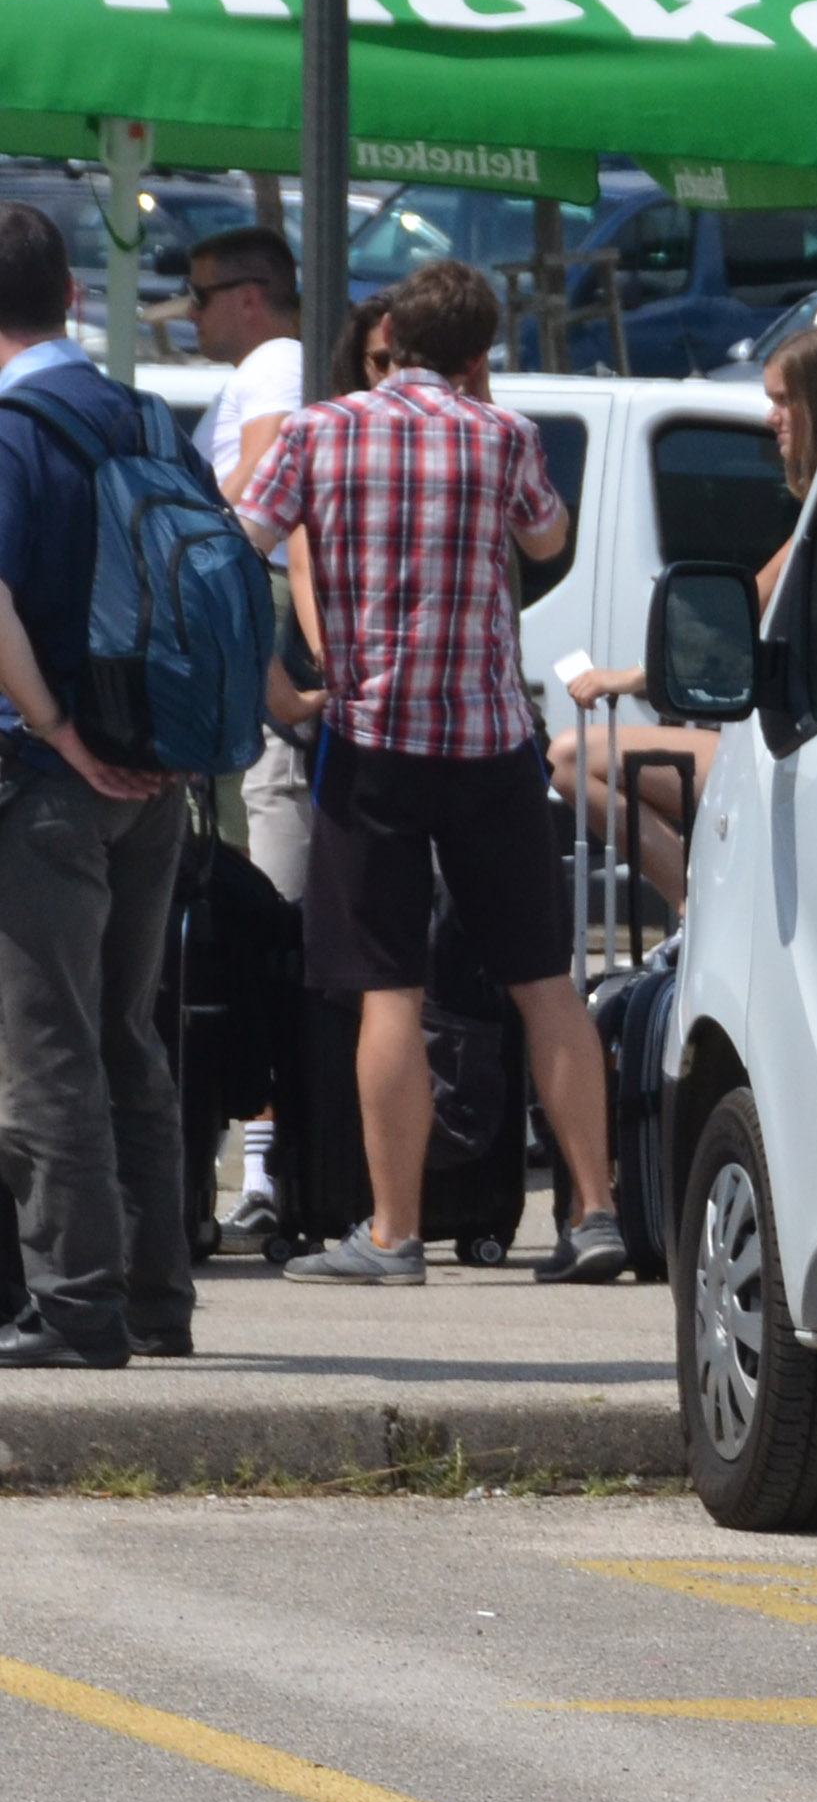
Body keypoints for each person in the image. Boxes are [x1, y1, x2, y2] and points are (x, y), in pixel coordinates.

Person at [236, 260, 626, 1287]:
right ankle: (592, 1212)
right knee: (546, 983)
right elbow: (548, 536)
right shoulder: (502, 437)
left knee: (390, 992)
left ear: (395, 333)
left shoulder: (319, 431)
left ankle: (395, 1231)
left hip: (372, 744)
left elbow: (240, 546)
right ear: (478, 353)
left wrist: (278, 677)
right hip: (492, 743)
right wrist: (485, 412)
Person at [0, 202, 204, 1366]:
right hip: (157, 775)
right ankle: (154, 1293)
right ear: (72, 293)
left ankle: (76, 1304)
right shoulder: (147, 416)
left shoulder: (12, 431)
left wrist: (54, 726)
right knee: (129, 1034)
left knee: (47, 1044)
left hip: (48, 781)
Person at [561, 323, 817, 910]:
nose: (771, 417)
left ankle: (693, 912)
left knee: (570, 757)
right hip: (789, 746)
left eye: (782, 402)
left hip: (798, 754)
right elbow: (750, 604)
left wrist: (630, 677)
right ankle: (692, 910)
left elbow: (738, 615)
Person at [180, 225, 322, 1253]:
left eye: (198, 297)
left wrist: (178, 523)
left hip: (245, 638)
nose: (189, 316)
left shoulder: (275, 361)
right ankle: (265, 1158)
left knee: (256, 888)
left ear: (250, 298)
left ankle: (268, 1164)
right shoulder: (273, 359)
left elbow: (262, 503)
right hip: (253, 643)